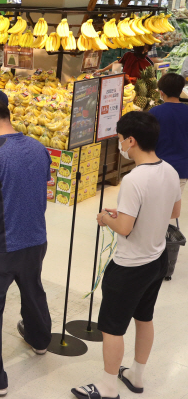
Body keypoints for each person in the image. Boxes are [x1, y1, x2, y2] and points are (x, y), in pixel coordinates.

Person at [72, 111, 181, 399]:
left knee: (112, 327)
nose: (120, 145)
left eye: (120, 139)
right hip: (157, 260)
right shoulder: (169, 171)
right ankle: (137, 375)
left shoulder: (134, 179)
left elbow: (124, 226)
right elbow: (174, 212)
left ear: (131, 140)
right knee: (144, 318)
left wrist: (107, 218)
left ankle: (108, 388)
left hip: (129, 266)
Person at [0, 99, 52, 398]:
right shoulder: (38, 147)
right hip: (35, 239)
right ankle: (40, 340)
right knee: (33, 291)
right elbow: (42, 185)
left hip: (2, 244)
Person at [150, 73, 188, 195]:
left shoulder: (154, 112)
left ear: (161, 92)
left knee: (156, 206)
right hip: (182, 168)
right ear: (181, 90)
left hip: (158, 167)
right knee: (173, 207)